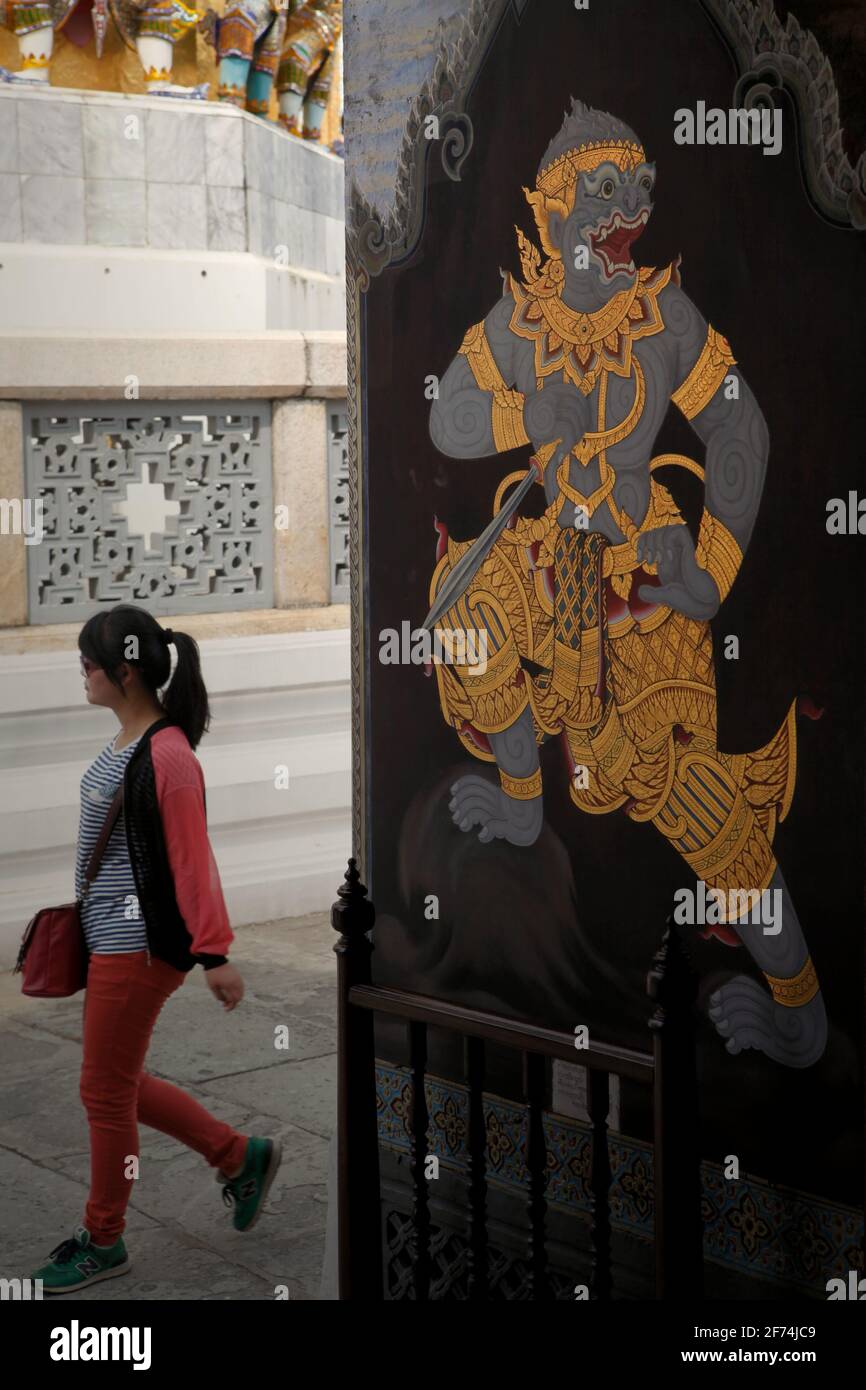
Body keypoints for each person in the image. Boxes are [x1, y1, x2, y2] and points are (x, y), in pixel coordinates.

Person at [31, 603, 283, 1294]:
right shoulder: (125, 743)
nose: (81, 670)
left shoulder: (166, 755)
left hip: (138, 947)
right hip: (109, 938)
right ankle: (239, 1156)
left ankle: (104, 1239)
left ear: (126, 672)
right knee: (118, 1083)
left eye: (90, 660)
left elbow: (191, 858)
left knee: (102, 1091)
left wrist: (215, 953)